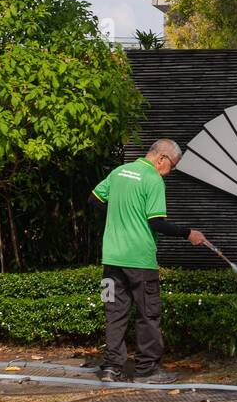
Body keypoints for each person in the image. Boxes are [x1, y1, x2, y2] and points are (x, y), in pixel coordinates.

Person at [89, 139, 207, 383]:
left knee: (114, 313)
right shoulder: (153, 179)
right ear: (161, 158)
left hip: (112, 259)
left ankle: (111, 368)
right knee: (148, 314)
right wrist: (188, 233)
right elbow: (157, 223)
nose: (170, 171)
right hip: (140, 261)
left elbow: (94, 200)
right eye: (172, 166)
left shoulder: (118, 172)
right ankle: (147, 371)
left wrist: (118, 219)